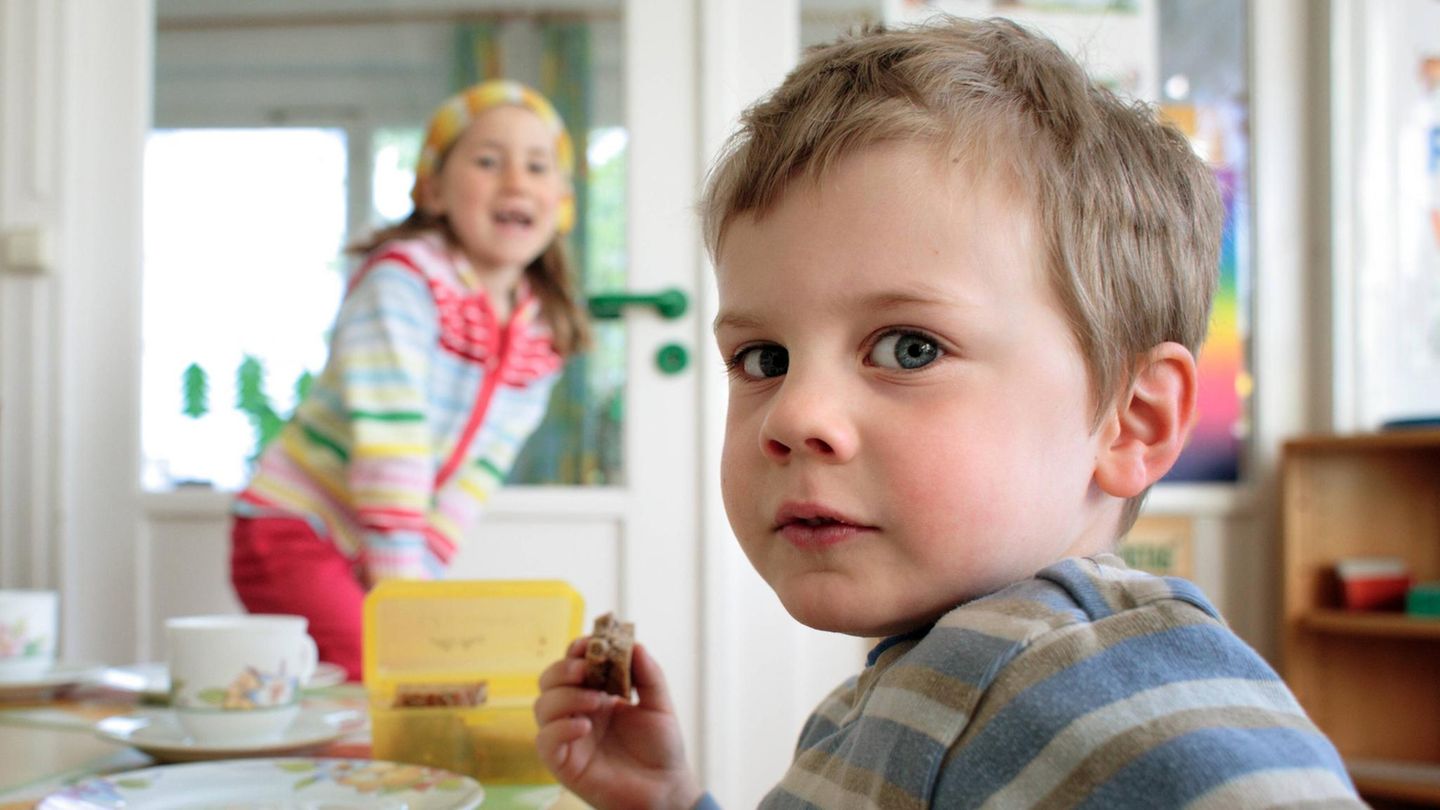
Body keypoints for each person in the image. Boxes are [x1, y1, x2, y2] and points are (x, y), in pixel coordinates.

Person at [533, 18, 1364, 808]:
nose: (794, 414)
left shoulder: (1098, 689)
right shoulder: (943, 677)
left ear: (1132, 419)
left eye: (909, 349)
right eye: (765, 359)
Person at [230, 79, 589, 682]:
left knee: (400, 670)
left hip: (383, 543)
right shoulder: (402, 282)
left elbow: (475, 476)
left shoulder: (539, 332)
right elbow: (390, 442)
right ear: (433, 190)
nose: (517, 181)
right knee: (385, 669)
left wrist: (420, 580)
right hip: (294, 529)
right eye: (487, 160)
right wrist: (404, 598)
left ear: (561, 202)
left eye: (537, 165)